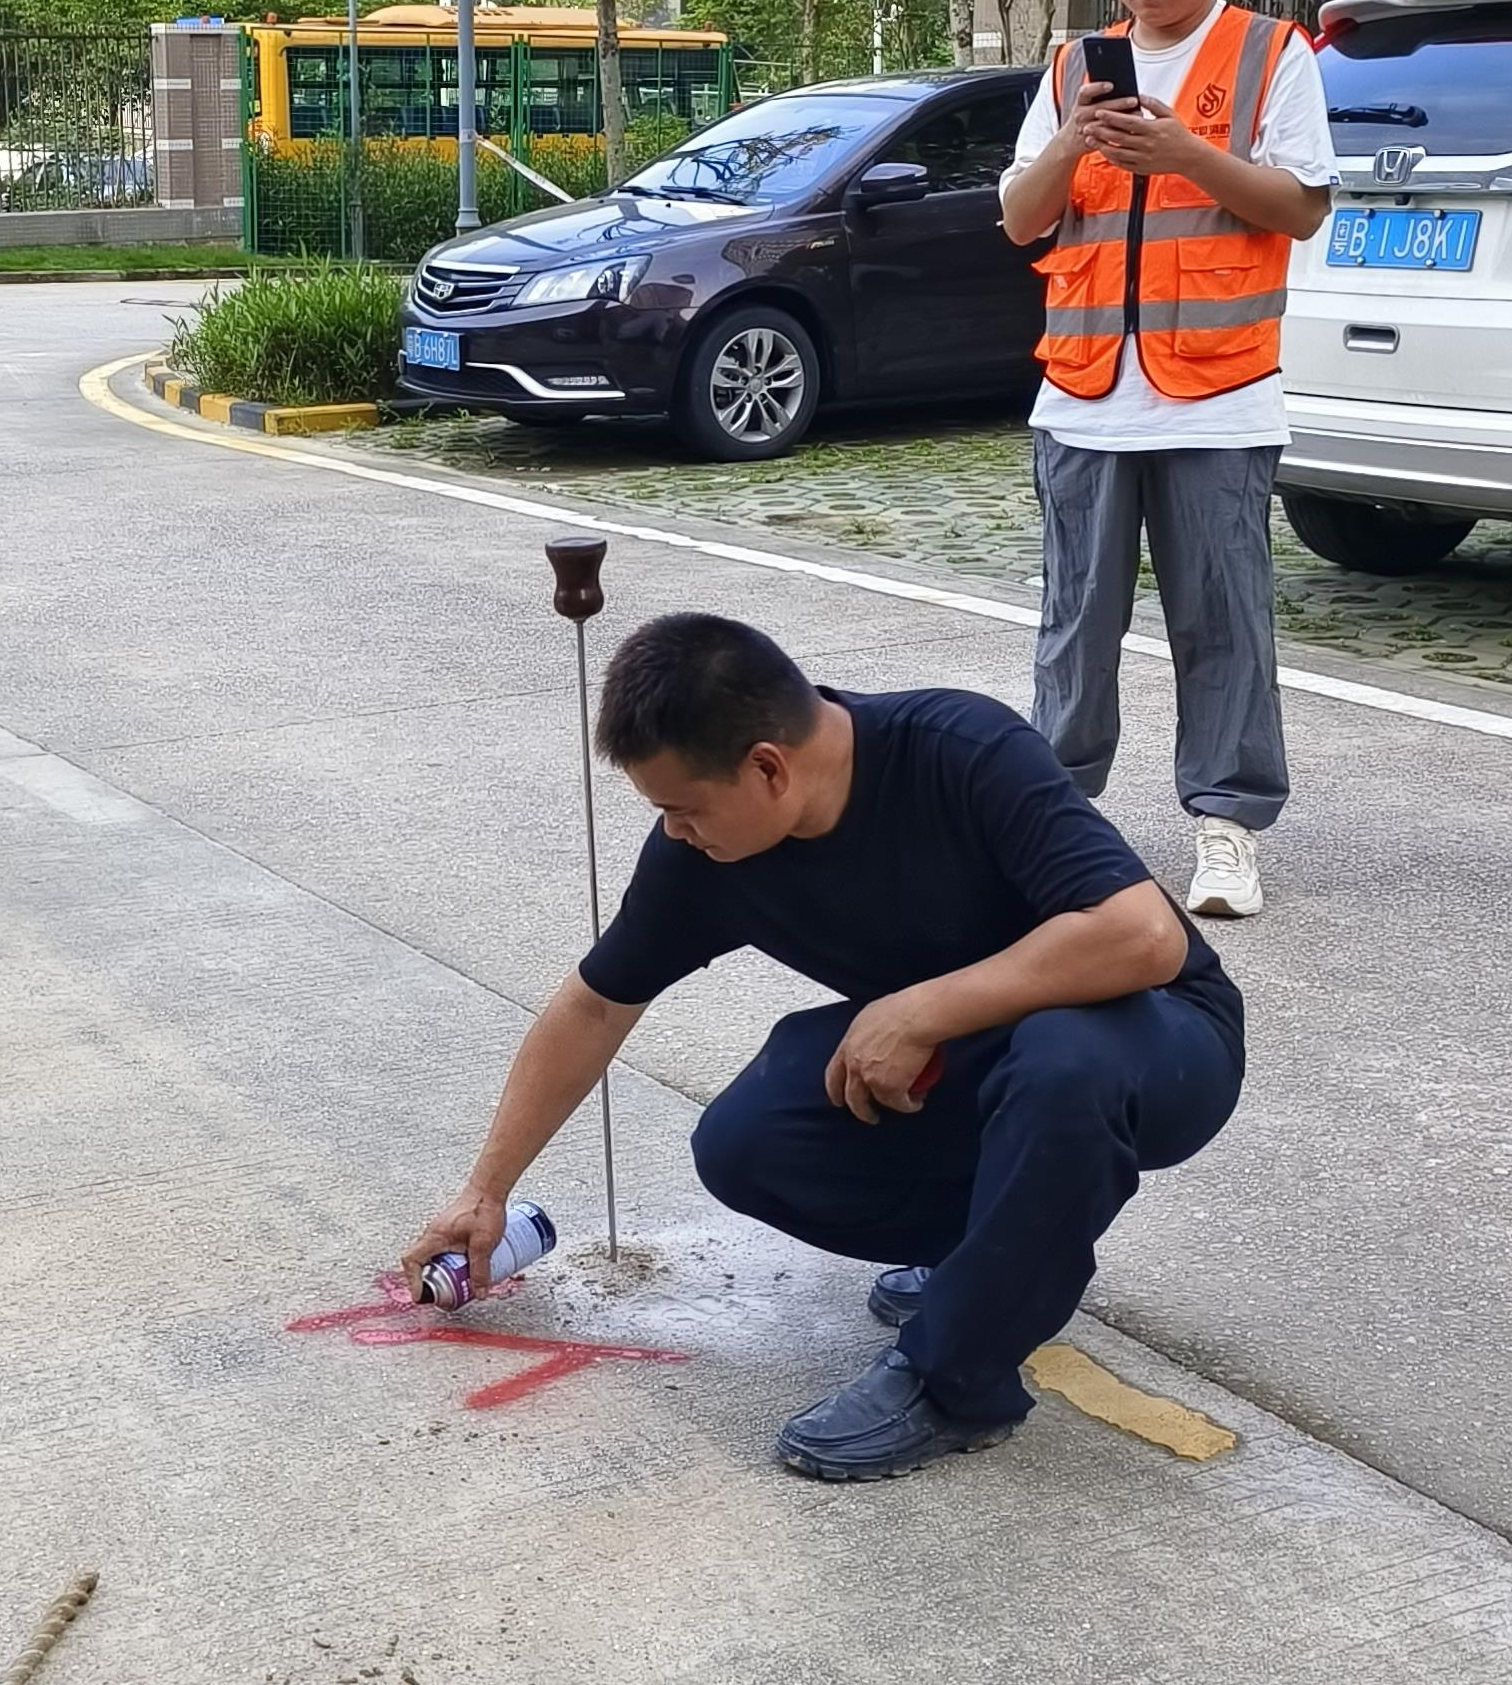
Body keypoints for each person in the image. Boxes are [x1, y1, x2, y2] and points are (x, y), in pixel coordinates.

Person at [404, 612, 1244, 1481]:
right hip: (987, 1059)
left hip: (1158, 1037)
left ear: (768, 766)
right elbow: (594, 1007)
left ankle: (953, 1383)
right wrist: (485, 1190)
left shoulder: (960, 748)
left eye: (684, 809)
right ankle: (1002, 1261)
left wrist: (922, 1009)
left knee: (1063, 1059)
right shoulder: (704, 853)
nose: (675, 833)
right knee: (751, 1141)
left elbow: (1144, 939)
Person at [998, 0, 1337, 923]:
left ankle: (1228, 830)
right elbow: (1019, 216)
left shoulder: (1271, 56)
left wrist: (1182, 152)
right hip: (1086, 398)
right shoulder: (1069, 67)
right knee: (1074, 627)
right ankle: (1056, 828)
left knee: (1224, 618)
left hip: (1221, 397)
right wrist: (1074, 144)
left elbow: (1302, 204)